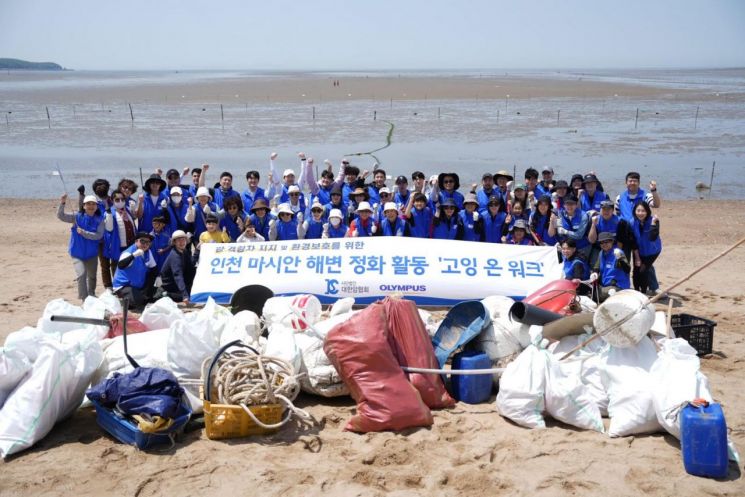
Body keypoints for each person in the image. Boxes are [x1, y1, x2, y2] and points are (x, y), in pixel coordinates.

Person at [58, 193, 105, 301]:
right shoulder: (77, 216)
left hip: (92, 254)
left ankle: (91, 294)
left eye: (93, 204)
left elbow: (98, 236)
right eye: (88, 204)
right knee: (82, 274)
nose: (91, 206)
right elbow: (61, 216)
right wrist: (62, 202)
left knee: (92, 276)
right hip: (76, 253)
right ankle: (84, 299)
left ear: (96, 206)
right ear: (84, 206)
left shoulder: (100, 220)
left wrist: (83, 232)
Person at [113, 231, 158, 310]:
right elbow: (121, 265)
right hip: (124, 285)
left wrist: (158, 277)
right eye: (142, 241)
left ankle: (142, 296)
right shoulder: (128, 252)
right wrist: (133, 256)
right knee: (138, 301)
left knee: (155, 287)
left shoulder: (148, 252)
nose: (145, 244)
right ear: (136, 241)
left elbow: (153, 268)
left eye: (148, 242)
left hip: (138, 284)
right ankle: (126, 299)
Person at [631, 201, 662, 295]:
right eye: (638, 210)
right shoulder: (632, 222)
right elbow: (633, 241)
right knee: (636, 271)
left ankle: (644, 292)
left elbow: (653, 237)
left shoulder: (654, 220)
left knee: (643, 270)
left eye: (643, 211)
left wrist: (653, 224)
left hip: (652, 251)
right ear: (634, 211)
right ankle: (637, 291)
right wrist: (637, 256)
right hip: (639, 251)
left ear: (647, 211)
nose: (640, 213)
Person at [158, 230, 195, 304]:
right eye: (179, 241)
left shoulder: (184, 251)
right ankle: (166, 295)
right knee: (188, 295)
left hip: (179, 281)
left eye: (183, 240)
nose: (182, 243)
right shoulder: (175, 256)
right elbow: (178, 276)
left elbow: (191, 268)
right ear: (174, 242)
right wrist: (185, 295)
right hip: (170, 284)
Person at [593, 232, 631, 302]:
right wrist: (594, 273)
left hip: (618, 285)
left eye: (606, 242)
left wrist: (620, 259)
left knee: (608, 293)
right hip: (605, 285)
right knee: (593, 294)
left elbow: (627, 270)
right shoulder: (601, 253)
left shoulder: (618, 252)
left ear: (612, 241)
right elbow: (597, 266)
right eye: (601, 242)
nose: (604, 244)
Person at [557, 194, 591, 258]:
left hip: (582, 247)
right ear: (564, 205)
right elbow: (559, 232)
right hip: (567, 249)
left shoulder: (583, 216)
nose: (569, 206)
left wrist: (566, 232)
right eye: (567, 204)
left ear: (576, 205)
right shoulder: (560, 214)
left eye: (572, 204)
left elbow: (579, 235)